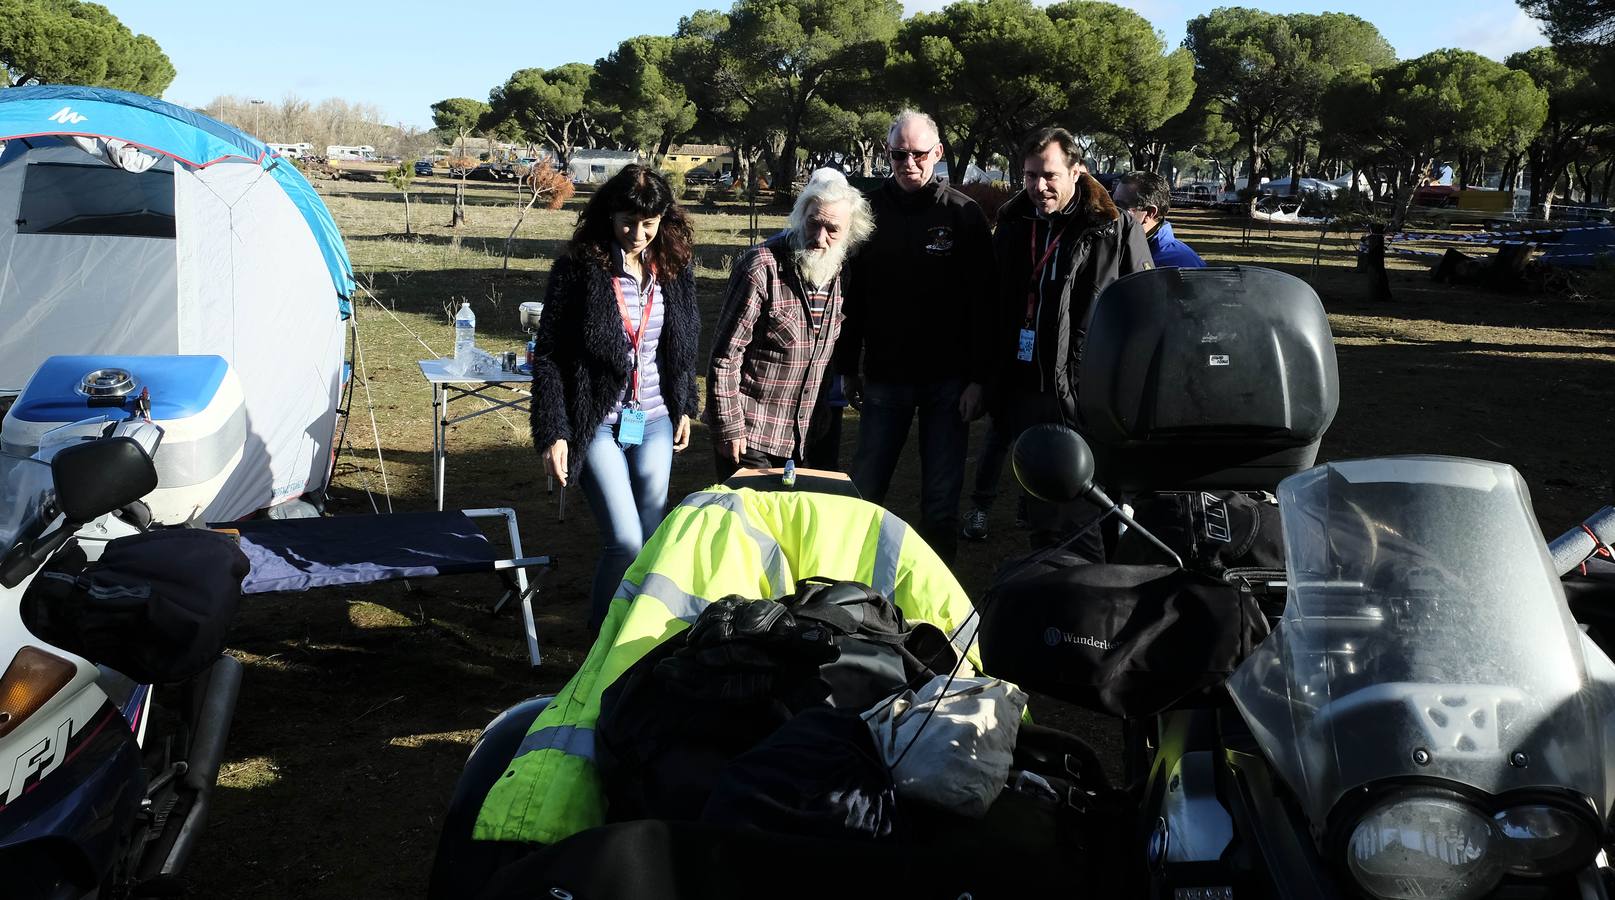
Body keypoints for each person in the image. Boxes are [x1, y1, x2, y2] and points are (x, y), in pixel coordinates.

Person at [530, 165, 700, 631]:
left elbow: (681, 345)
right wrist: (554, 431)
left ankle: (635, 638)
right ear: (608, 213)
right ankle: (599, 647)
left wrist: (685, 403)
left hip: (656, 419)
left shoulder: (674, 264)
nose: (638, 234)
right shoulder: (578, 268)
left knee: (648, 543)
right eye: (628, 221)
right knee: (623, 541)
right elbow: (547, 355)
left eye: (649, 223)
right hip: (596, 420)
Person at [837, 110, 994, 562]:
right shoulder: (866, 211)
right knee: (865, 492)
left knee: (941, 504)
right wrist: (849, 367)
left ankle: (936, 599)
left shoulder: (964, 215)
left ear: (938, 154)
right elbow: (854, 298)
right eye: (898, 153)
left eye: (919, 153)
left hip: (949, 382)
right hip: (885, 377)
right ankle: (851, 587)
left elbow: (986, 305)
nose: (909, 162)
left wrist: (980, 380)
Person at [987, 127, 1152, 548]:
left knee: (1085, 511)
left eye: (1049, 176)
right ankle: (1050, 588)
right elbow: (993, 306)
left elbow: (1146, 315)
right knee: (1043, 503)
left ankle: (1087, 593)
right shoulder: (1013, 223)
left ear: (1077, 172)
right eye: (1028, 176)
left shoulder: (1115, 228)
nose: (1038, 187)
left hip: (1087, 393)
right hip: (1027, 389)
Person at [706, 168, 874, 476]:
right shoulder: (760, 267)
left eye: (833, 229)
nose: (820, 238)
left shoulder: (842, 274)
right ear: (801, 216)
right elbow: (724, 357)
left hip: (809, 436)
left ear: (851, 232)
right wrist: (728, 426)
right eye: (814, 223)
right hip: (752, 434)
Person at [1112, 171, 1206, 269]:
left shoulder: (1183, 264)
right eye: (1112, 202)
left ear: (1149, 213)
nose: (1112, 211)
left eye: (1120, 205)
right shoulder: (1115, 246)